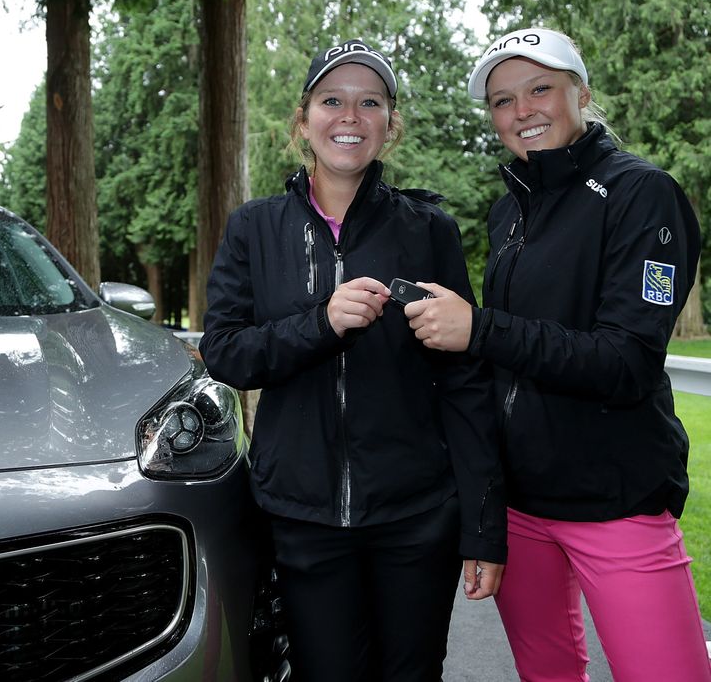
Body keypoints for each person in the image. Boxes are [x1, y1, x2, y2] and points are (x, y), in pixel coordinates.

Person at [405, 27, 711, 681]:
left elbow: (626, 362)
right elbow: (497, 375)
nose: (522, 112)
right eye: (503, 101)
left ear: (582, 92)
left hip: (618, 500)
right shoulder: (507, 212)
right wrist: (486, 516)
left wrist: (479, 329)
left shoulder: (641, 193)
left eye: (540, 88)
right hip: (523, 508)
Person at [199, 38, 507, 682]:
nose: (350, 116)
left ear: (389, 125)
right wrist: (321, 323)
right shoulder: (253, 228)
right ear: (303, 118)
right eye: (332, 100)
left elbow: (465, 382)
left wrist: (482, 527)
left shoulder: (429, 232)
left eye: (370, 103)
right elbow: (225, 352)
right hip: (304, 517)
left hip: (417, 515)